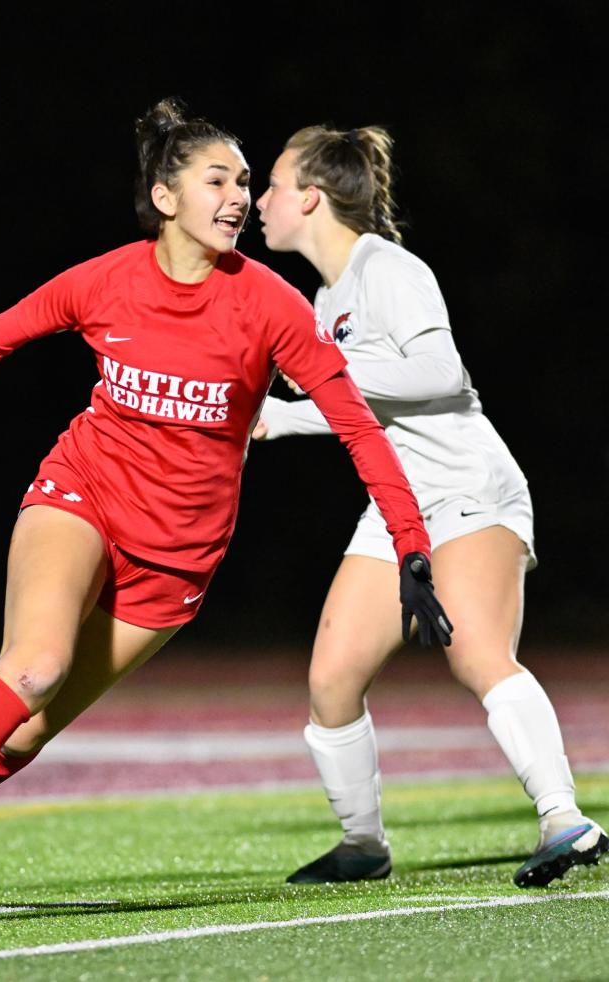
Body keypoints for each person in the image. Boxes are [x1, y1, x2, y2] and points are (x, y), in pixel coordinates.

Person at [0, 99, 451, 915]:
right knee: (33, 666)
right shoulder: (106, 280)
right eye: (217, 179)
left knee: (25, 733)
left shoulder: (271, 305)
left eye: (245, 181)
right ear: (164, 196)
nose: (236, 197)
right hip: (83, 493)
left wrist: (411, 546)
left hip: (179, 556)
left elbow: (358, 428)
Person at [253, 124, 607, 888]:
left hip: (468, 487)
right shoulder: (326, 295)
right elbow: (360, 404)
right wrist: (280, 418)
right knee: (330, 681)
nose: (260, 200)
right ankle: (363, 845)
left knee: (477, 653)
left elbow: (440, 370)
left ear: (311, 197)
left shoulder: (387, 267)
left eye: (274, 184)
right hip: (397, 502)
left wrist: (321, 371)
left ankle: (564, 821)